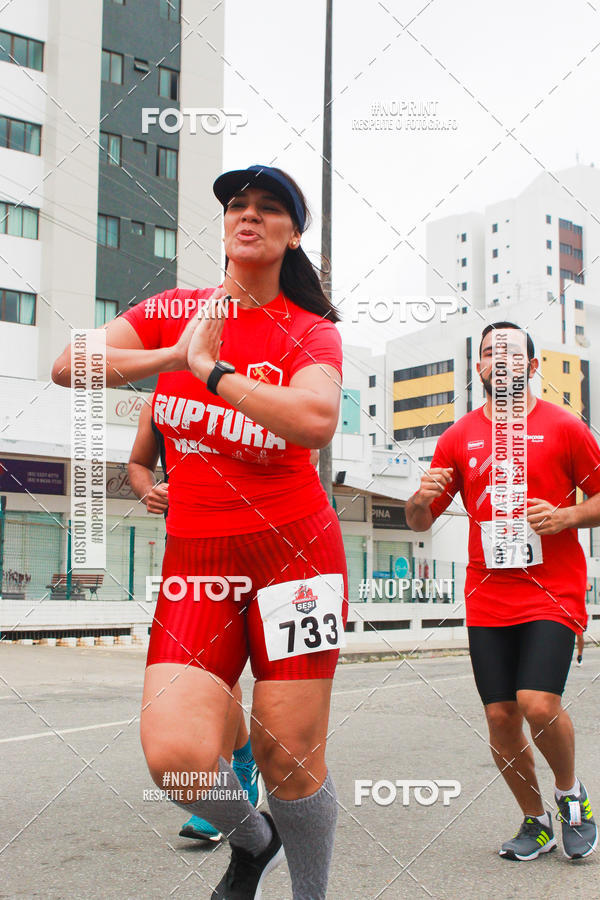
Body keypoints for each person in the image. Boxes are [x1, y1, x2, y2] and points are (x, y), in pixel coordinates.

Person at [52, 164, 347, 900]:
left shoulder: (309, 331)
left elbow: (316, 419)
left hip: (296, 561)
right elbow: (67, 363)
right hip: (198, 560)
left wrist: (212, 372)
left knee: (289, 755)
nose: (249, 217)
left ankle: (309, 893)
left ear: (292, 234)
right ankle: (255, 841)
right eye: (238, 206)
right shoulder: (172, 310)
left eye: (269, 209)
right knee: (176, 757)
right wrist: (175, 354)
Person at [406, 321, 599, 862]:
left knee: (538, 704)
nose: (501, 361)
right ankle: (535, 821)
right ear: (480, 368)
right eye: (491, 353)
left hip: (551, 588)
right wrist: (420, 499)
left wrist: (567, 515)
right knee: (500, 717)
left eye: (513, 354)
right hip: (487, 591)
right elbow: (421, 521)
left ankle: (570, 796)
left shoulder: (563, 427)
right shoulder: (459, 435)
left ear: (533, 368)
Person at [128, 397, 265, 842]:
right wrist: (150, 489)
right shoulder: (163, 398)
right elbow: (137, 463)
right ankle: (235, 770)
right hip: (194, 555)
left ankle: (242, 768)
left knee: (227, 681)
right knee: (213, 676)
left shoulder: (252, 384)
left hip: (267, 545)